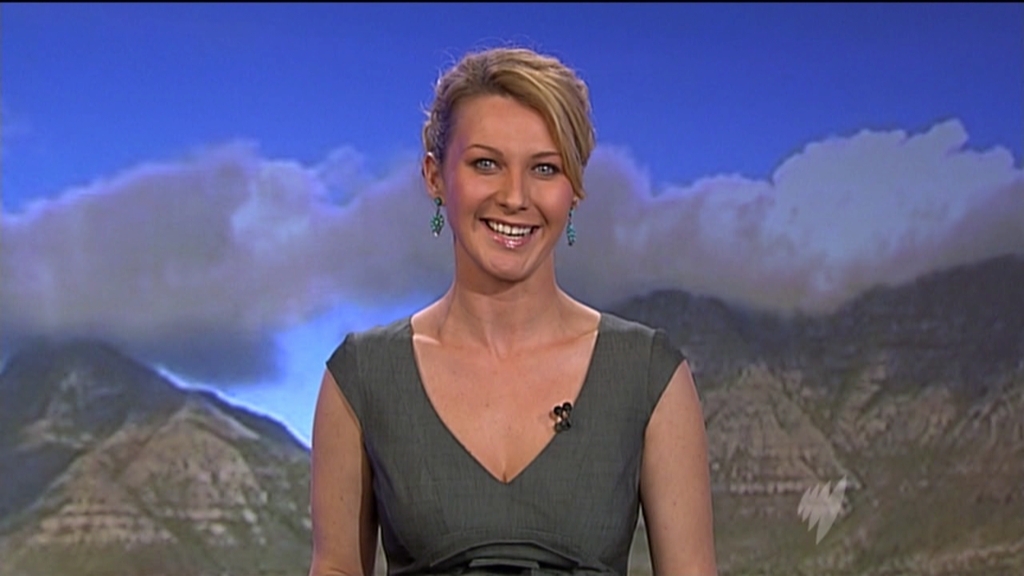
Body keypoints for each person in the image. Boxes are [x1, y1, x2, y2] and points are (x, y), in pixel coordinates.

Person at [309, 46, 717, 576]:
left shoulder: (647, 374)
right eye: (486, 164)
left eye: (545, 168)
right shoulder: (363, 377)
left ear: (575, 190)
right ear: (435, 176)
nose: (515, 197)